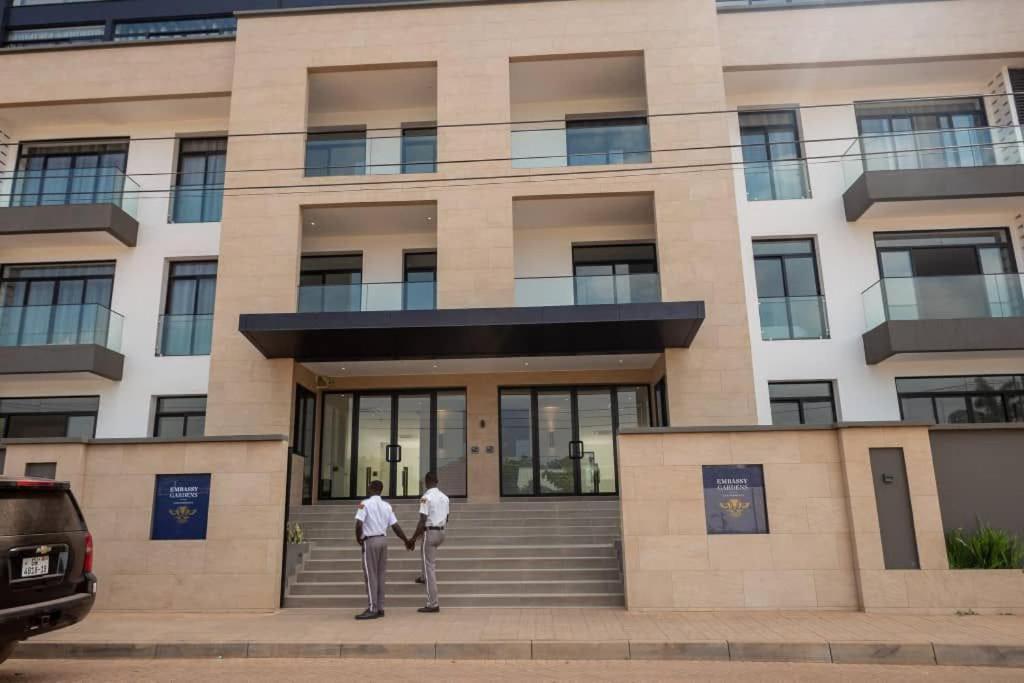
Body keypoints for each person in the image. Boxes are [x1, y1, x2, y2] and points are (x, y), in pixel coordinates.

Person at [354, 480, 412, 620]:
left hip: (370, 541)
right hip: (383, 541)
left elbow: (358, 524)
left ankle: (372, 608)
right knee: (380, 575)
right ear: (381, 490)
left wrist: (359, 540)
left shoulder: (365, 503)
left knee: (370, 576)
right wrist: (406, 540)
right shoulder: (387, 506)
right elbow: (395, 526)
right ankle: (380, 607)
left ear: (371, 489)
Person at [408, 471, 450, 613]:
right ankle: (423, 576)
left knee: (430, 566)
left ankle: (433, 603)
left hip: (430, 532)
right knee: (424, 551)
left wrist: (413, 538)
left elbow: (422, 521)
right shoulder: (445, 497)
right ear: (437, 481)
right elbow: (447, 517)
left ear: (426, 481)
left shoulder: (425, 497)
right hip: (442, 532)